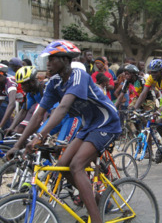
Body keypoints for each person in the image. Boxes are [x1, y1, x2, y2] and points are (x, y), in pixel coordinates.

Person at [6, 40, 121, 223]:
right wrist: (19, 145)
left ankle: (96, 219)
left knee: (76, 165)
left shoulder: (79, 76)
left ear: (65, 59)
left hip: (106, 123)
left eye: (52, 58)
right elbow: (38, 116)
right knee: (63, 165)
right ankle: (96, 200)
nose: (48, 63)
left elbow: (63, 107)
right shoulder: (54, 83)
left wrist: (40, 136)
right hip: (89, 125)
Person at [0, 63, 18, 130]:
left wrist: (1, 126)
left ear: (4, 75)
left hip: (33, 99)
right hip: (23, 103)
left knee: (19, 129)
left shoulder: (10, 81)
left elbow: (12, 104)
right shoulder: (1, 85)